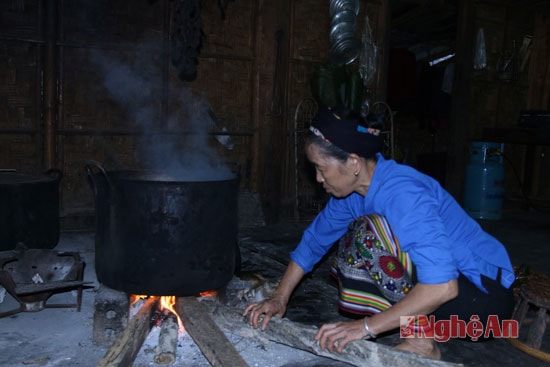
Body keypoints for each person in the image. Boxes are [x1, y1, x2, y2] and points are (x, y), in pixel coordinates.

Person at [243, 106, 516, 360]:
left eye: (321, 168)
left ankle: (421, 340)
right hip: (451, 297)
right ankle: (415, 332)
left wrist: (363, 328)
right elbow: (314, 241)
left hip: (483, 304)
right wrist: (279, 298)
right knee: (355, 243)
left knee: (370, 234)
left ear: (353, 163)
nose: (317, 178)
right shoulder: (352, 194)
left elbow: (443, 286)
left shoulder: (402, 192)